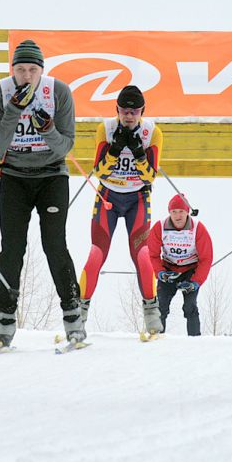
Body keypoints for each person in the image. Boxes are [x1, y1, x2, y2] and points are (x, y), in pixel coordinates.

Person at [0, 39, 84, 348]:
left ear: (42, 71)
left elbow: (65, 146)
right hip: (14, 176)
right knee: (11, 248)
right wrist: (14, 111)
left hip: (52, 176)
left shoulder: (58, 92)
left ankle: (73, 316)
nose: (26, 76)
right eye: (21, 70)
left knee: (54, 244)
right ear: (12, 70)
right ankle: (5, 320)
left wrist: (47, 129)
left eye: (33, 70)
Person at [79, 85, 164, 335]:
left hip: (137, 198)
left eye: (134, 111)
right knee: (96, 253)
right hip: (108, 197)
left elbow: (150, 177)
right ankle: (79, 313)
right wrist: (115, 149)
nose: (129, 116)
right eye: (124, 111)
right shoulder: (105, 129)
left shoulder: (152, 132)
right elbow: (100, 172)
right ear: (117, 110)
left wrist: (138, 152)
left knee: (142, 255)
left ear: (142, 111)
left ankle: (151, 312)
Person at [147, 194, 213, 336]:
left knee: (190, 306)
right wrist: (160, 272)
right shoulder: (159, 227)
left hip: (190, 270)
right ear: (169, 212)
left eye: (181, 212)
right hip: (168, 269)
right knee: (161, 305)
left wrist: (195, 282)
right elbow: (152, 255)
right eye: (174, 212)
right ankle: (156, 337)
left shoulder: (198, 228)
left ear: (187, 212)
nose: (178, 216)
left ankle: (195, 339)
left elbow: (206, 259)